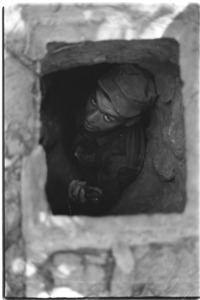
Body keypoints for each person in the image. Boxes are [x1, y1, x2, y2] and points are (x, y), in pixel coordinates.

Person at [43, 63, 158, 216]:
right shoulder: (81, 89)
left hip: (81, 173)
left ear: (129, 122)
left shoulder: (123, 159)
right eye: (94, 102)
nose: (90, 118)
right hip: (69, 144)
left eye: (107, 117)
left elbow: (105, 201)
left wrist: (85, 195)